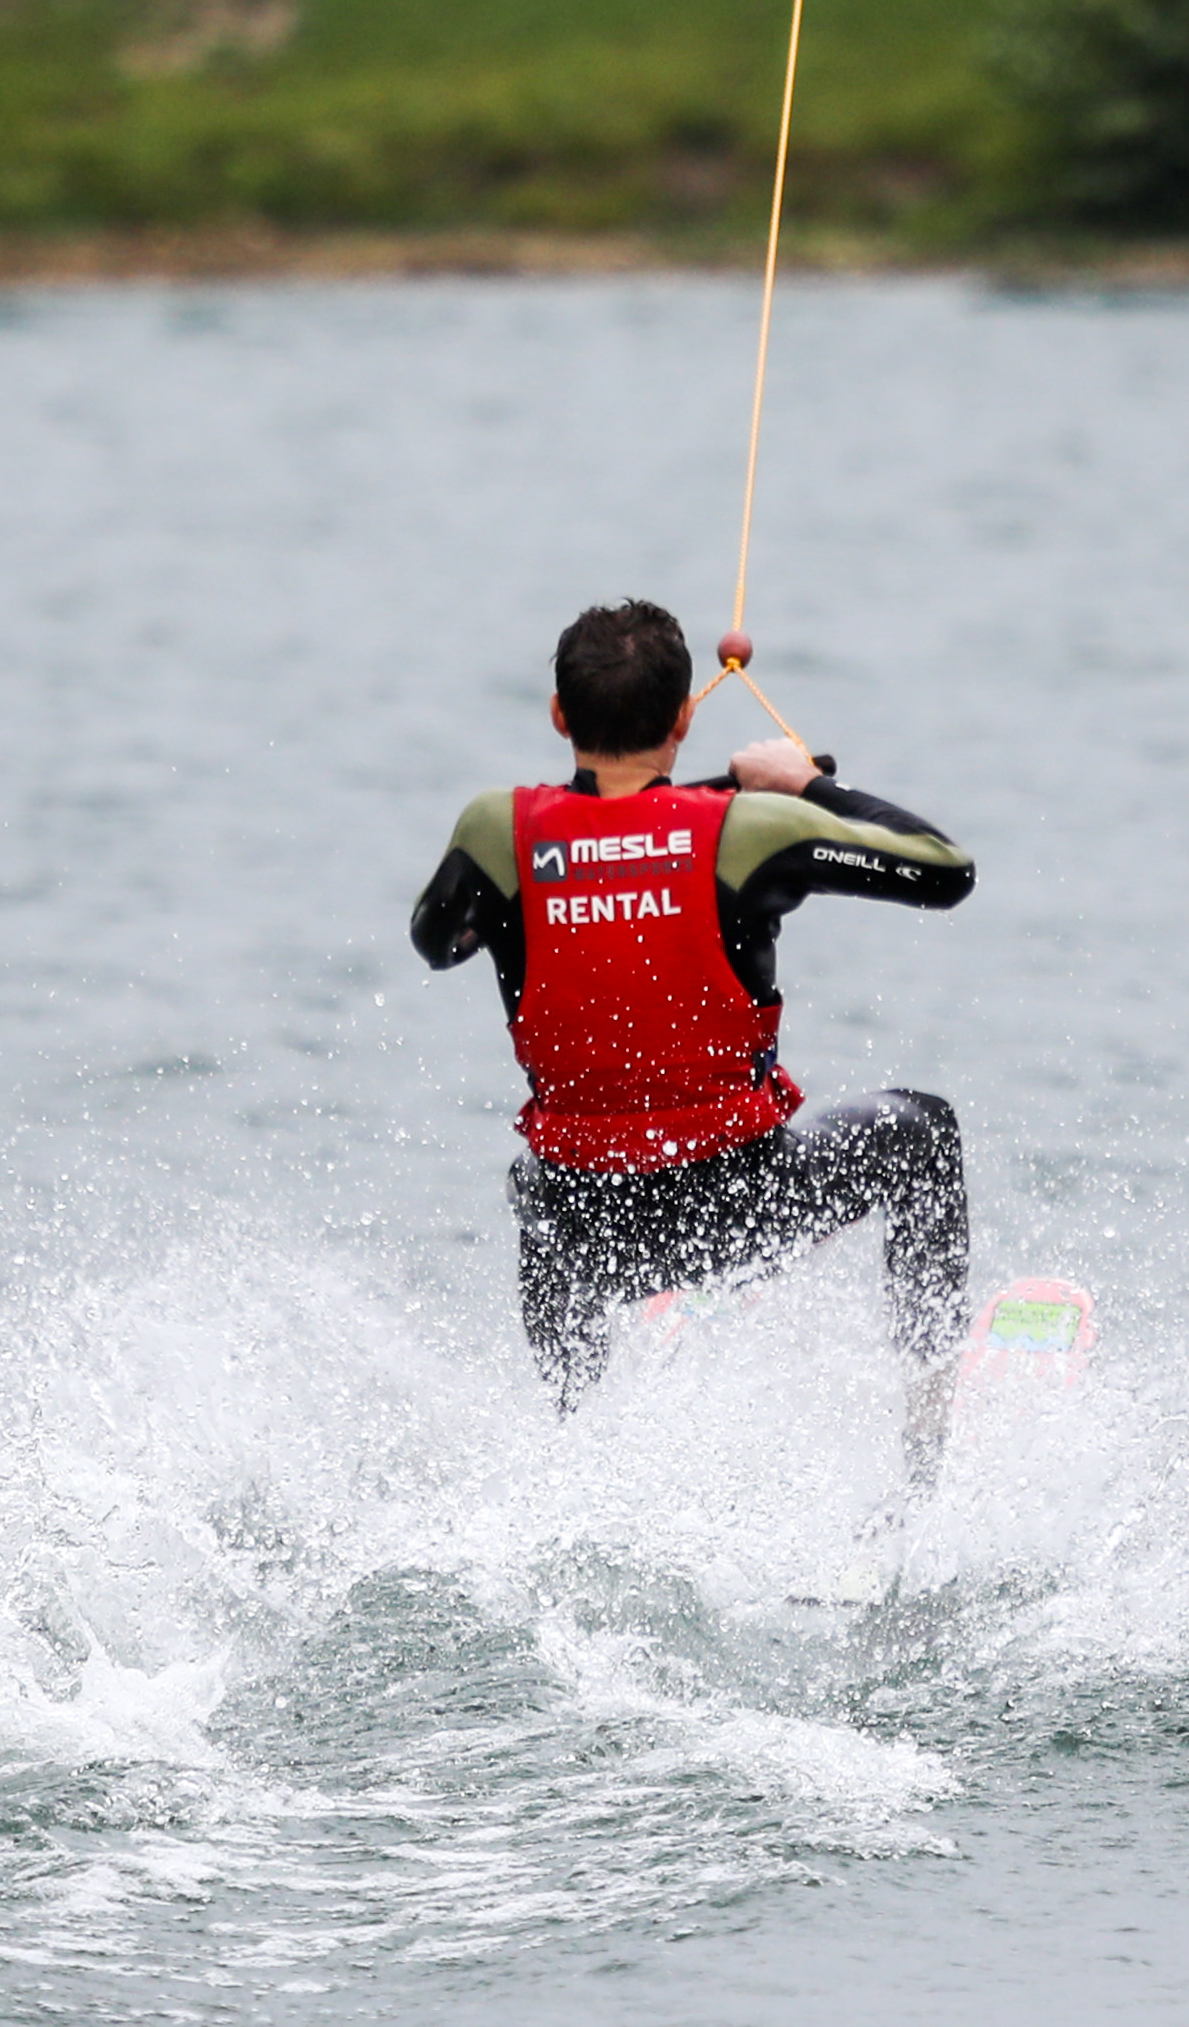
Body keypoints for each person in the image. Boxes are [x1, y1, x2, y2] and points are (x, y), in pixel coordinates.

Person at [411, 599, 978, 1491]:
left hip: (587, 1232)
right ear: (682, 718)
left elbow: (436, 943)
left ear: (559, 715)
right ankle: (925, 1453)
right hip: (738, 1206)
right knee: (921, 1130)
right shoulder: (749, 830)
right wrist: (804, 786)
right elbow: (944, 870)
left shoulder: (495, 832)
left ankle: (574, 1443)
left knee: (532, 1181)